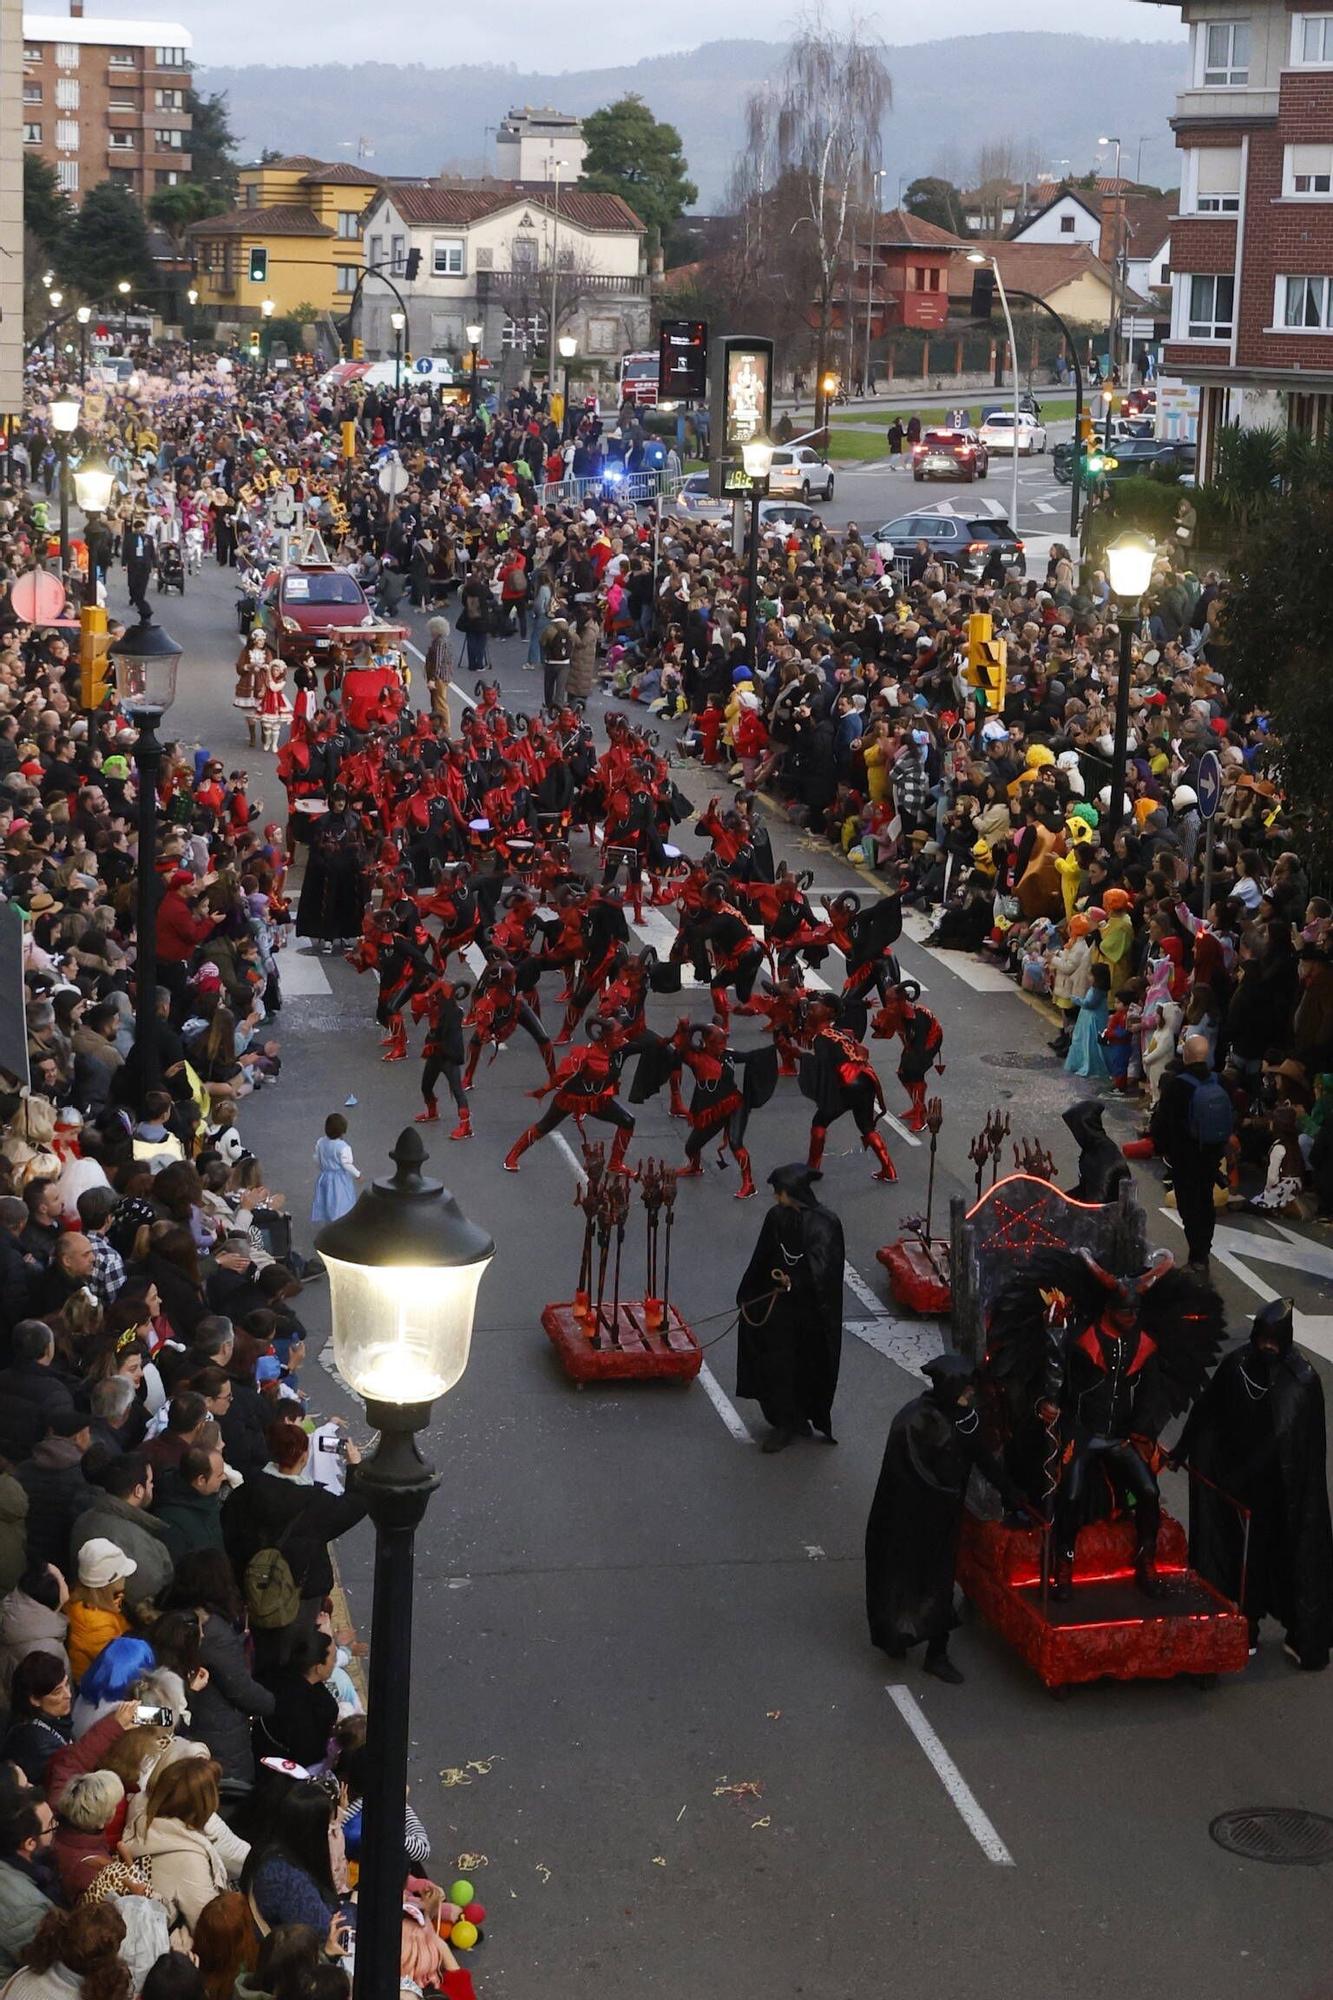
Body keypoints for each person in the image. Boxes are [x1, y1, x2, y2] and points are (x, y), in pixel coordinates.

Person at [1176, 1298, 1333, 1670]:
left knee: (1290, 1557)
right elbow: (1209, 1408)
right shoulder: (1239, 1365)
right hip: (1242, 1486)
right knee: (1243, 1557)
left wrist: (1248, 1474)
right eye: (1262, 1338)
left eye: (1273, 1340)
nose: (1266, 1346)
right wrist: (1183, 1448)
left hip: (1285, 1492)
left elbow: (1294, 1441)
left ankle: (1302, 1636)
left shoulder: (1302, 1380)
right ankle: (1246, 1626)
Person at [864, 1354, 1022, 1683]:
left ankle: (937, 1652)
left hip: (943, 1518)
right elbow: (903, 1472)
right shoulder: (913, 1421)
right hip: (905, 1518)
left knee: (939, 1582)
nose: (970, 1396)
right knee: (899, 1576)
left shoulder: (966, 1420)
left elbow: (983, 1459)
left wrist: (1011, 1493)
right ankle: (895, 1635)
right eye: (965, 1390)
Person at [734, 1163, 845, 1452]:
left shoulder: (825, 1223)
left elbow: (826, 1270)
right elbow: (763, 1255)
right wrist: (748, 1292)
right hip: (779, 1309)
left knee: (804, 1365)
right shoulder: (776, 1217)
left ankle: (797, 1417)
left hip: (809, 1312)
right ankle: (784, 1418)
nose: (775, 1198)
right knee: (776, 1364)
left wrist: (794, 1281)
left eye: (779, 1192)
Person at [1150, 1031, 1233, 1272]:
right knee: (1205, 1202)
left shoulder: (1176, 1086)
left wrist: (1162, 1148)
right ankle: (1203, 1250)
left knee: (1188, 1205)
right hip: (1212, 1153)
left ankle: (1197, 1256)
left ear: (1185, 1055)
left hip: (1184, 1155)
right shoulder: (1220, 1082)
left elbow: (1161, 1124)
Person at [310, 1115, 359, 1227]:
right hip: (340, 1179)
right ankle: (342, 1224)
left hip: (325, 1177)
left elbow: (317, 1158)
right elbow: (347, 1164)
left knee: (328, 1200)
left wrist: (323, 1169)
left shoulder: (321, 1142)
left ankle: (330, 1224)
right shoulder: (343, 1147)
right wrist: (357, 1174)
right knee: (342, 1201)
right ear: (342, 1131)